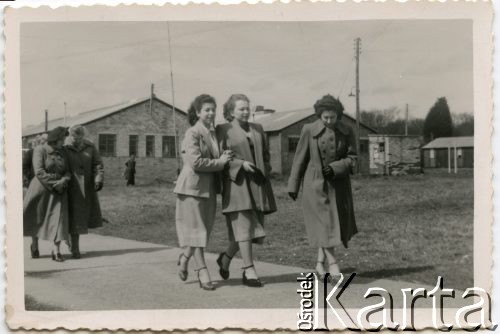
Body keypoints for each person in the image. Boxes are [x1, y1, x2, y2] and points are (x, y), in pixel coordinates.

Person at [287, 94, 358, 281]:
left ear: (338, 115)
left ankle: (319, 264)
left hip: (338, 187)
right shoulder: (308, 130)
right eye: (325, 117)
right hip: (315, 186)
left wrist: (336, 168)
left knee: (330, 225)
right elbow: (300, 159)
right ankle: (333, 265)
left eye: (332, 117)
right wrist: (293, 186)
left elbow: (354, 159)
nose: (329, 121)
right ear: (319, 115)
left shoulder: (347, 130)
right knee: (324, 224)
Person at [215, 94, 277, 288]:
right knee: (243, 227)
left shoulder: (258, 128)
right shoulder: (223, 129)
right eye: (241, 108)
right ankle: (249, 270)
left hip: (257, 184)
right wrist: (241, 164)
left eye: (247, 108)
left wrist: (265, 170)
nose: (245, 111)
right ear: (231, 111)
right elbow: (220, 157)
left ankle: (225, 258)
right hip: (237, 184)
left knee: (250, 229)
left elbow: (266, 155)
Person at [174, 94, 233, 291]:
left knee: (202, 231)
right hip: (191, 188)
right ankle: (202, 271)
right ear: (198, 112)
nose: (210, 113)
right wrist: (221, 162)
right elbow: (196, 162)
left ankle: (184, 258)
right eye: (206, 110)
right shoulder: (193, 132)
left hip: (209, 189)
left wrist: (225, 157)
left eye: (212, 109)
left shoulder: (213, 133)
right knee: (197, 231)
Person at [23, 126, 71, 262]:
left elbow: (68, 171)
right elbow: (39, 171)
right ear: (56, 139)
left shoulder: (62, 152)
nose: (64, 142)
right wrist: (55, 183)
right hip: (41, 189)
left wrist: (64, 180)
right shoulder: (40, 150)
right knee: (36, 218)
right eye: (63, 139)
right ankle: (35, 245)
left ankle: (56, 251)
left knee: (59, 220)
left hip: (59, 191)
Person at [64, 125, 104, 259]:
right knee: (67, 216)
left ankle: (75, 247)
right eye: (74, 137)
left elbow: (98, 164)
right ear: (69, 135)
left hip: (85, 188)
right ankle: (69, 242)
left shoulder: (90, 146)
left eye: (79, 137)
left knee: (78, 217)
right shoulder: (63, 147)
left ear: (83, 136)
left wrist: (98, 179)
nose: (76, 140)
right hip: (67, 187)